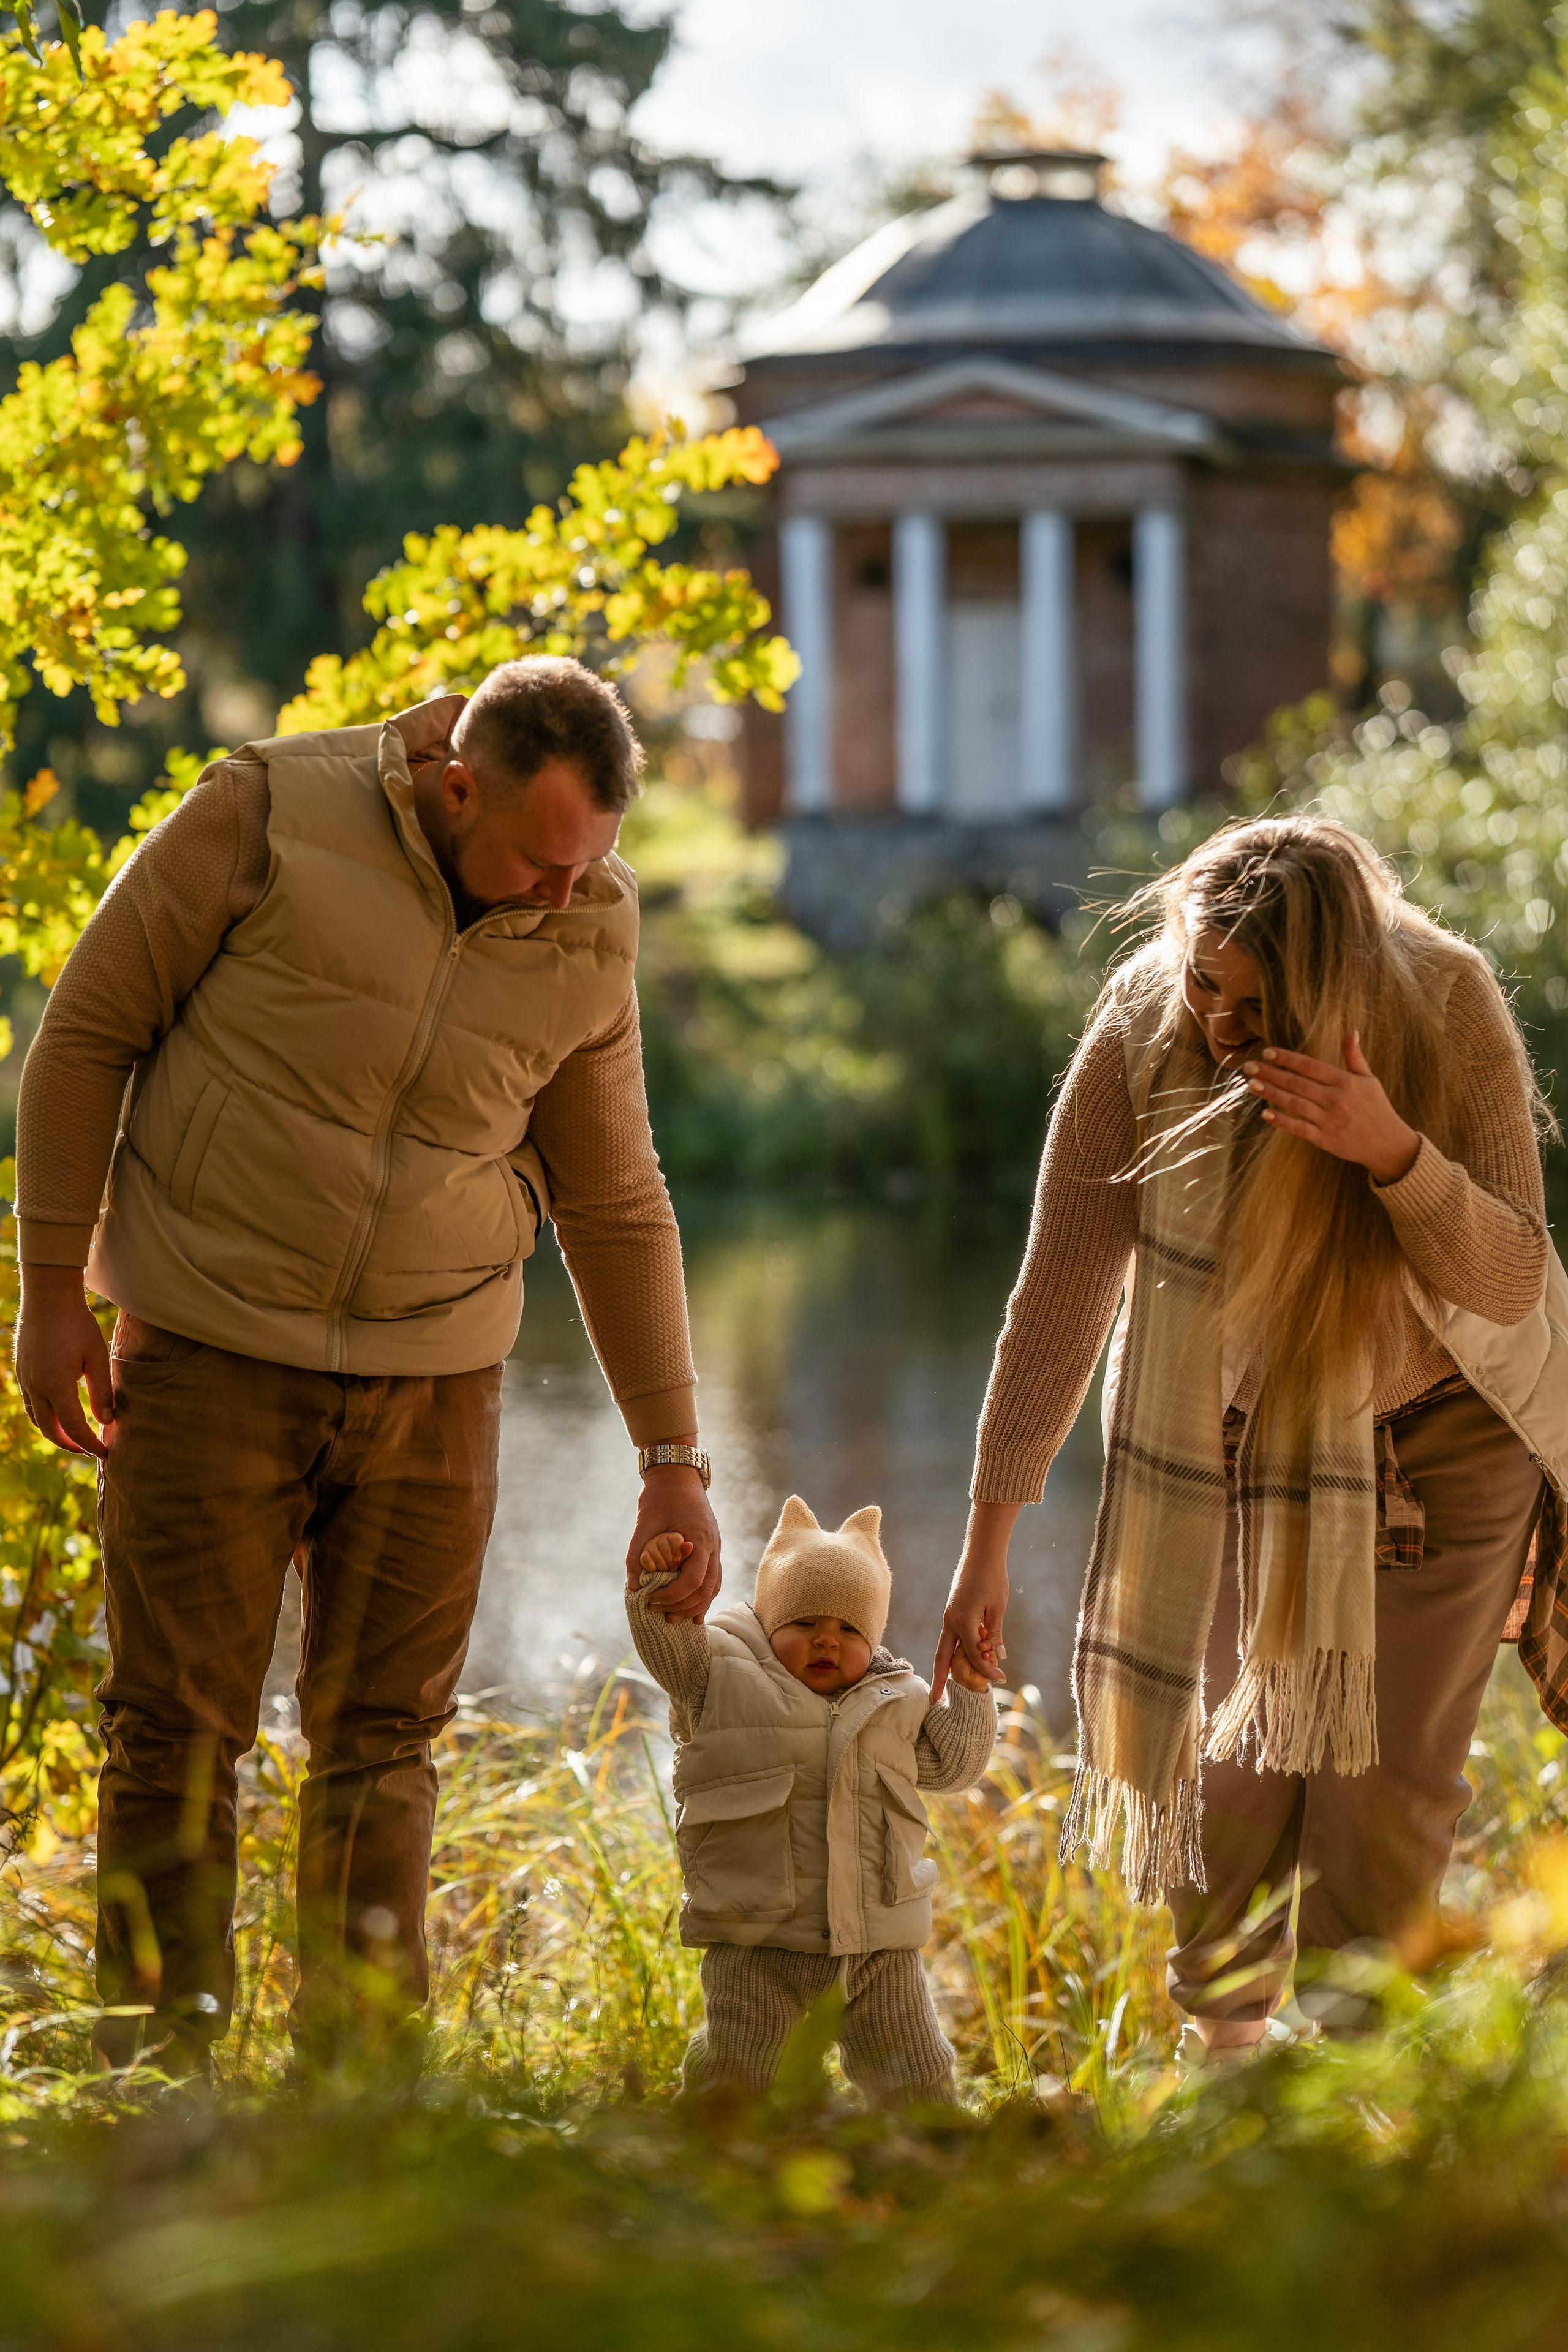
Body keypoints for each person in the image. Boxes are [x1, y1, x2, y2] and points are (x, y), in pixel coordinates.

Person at [12, 658, 722, 2076]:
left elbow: (614, 1199)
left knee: (385, 1745)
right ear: (457, 786)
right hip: (211, 1344)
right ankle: (156, 2091)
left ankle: (361, 2105)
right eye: (538, 861)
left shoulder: (590, 923)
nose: (562, 893)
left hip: (436, 1379)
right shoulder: (266, 812)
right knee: (175, 1731)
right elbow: (85, 1036)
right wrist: (48, 1294)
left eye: (588, 866)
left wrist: (671, 1458)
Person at [935, 815, 1568, 2054]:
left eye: (1254, 1003)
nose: (1218, 1024)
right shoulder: (1142, 1024)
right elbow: (1059, 1298)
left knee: (1377, 1805)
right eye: (1202, 982)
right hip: (1219, 1444)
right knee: (1220, 1787)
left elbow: (1507, 1279)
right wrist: (985, 1543)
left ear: (1333, 983)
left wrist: (1391, 1152)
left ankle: (1351, 2091)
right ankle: (1224, 2082)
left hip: (1439, 1449)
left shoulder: (1443, 1003)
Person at [629, 1494, 997, 2100]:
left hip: (876, 1947)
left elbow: (956, 1767)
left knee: (917, 2078)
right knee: (739, 2077)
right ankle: (715, 2142)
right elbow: (665, 1640)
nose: (827, 1640)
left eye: (849, 1630)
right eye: (804, 1624)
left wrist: (973, 1692)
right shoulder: (717, 1675)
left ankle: (931, 2150)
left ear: (873, 1640)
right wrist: (661, 1578)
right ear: (769, 1623)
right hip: (757, 1942)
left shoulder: (899, 1700)